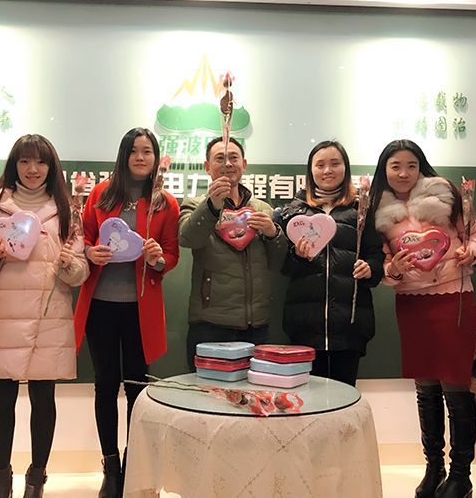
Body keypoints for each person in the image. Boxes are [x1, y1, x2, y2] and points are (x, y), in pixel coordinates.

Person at [0, 134, 89, 498]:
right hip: (3, 313)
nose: (32, 169)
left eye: (40, 161)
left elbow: (80, 269)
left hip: (48, 315)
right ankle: (1, 478)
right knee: (2, 399)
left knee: (43, 398)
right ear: (14, 165)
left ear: (51, 167)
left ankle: (36, 478)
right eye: (25, 161)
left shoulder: (66, 207)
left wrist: (70, 266)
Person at [368, 139, 476, 498]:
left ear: (421, 167)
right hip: (412, 303)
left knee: (456, 384)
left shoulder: (445, 195)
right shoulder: (377, 212)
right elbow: (382, 266)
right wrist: (393, 269)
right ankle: (434, 468)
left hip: (454, 298)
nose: (403, 173)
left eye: (411, 165)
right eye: (395, 166)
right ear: (384, 170)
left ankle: (461, 475)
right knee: (426, 387)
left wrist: (471, 252)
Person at [73, 127, 179, 498]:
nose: (140, 157)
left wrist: (159, 258)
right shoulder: (101, 195)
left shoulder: (165, 203)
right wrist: (90, 252)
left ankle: (135, 465)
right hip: (100, 305)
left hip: (140, 308)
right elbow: (84, 239)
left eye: (147, 151)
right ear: (123, 156)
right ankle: (111, 467)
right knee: (105, 384)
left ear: (155, 158)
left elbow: (171, 254)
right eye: (133, 150)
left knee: (137, 386)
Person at [278, 140, 384, 387]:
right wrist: (298, 256)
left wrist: (370, 268)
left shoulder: (361, 210)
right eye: (320, 165)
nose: (327, 170)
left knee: (344, 397)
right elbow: (281, 265)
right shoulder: (293, 212)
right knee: (308, 399)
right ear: (310, 170)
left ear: (345, 168)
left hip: (350, 324)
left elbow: (376, 255)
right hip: (304, 324)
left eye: (335, 163)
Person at [179, 136, 287, 370]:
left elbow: (278, 263)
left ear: (244, 164)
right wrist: (211, 206)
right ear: (207, 167)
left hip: (257, 325)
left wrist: (273, 233)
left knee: (256, 391)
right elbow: (187, 238)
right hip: (210, 324)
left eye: (233, 158)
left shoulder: (263, 209)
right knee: (208, 391)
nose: (227, 163)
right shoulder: (195, 204)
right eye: (220, 158)